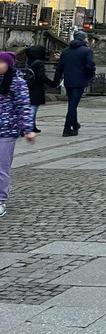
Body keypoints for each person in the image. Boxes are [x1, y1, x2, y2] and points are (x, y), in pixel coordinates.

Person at [0, 52, 36, 217]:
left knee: (2, 167)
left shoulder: (17, 82)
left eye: (1, 62)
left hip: (6, 131)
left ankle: (1, 200)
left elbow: (24, 106)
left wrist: (27, 129)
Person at [54, 31, 96, 137]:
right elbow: (89, 66)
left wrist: (56, 81)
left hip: (68, 80)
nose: (87, 39)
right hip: (80, 80)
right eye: (86, 38)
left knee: (72, 103)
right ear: (83, 39)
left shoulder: (66, 51)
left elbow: (60, 68)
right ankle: (67, 129)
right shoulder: (86, 51)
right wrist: (90, 76)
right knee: (73, 105)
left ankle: (75, 124)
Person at [24, 46, 55, 134]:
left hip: (28, 85)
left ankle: (32, 125)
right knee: (33, 107)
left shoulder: (28, 61)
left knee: (30, 106)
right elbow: (42, 76)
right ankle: (29, 126)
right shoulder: (39, 62)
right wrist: (51, 83)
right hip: (36, 87)